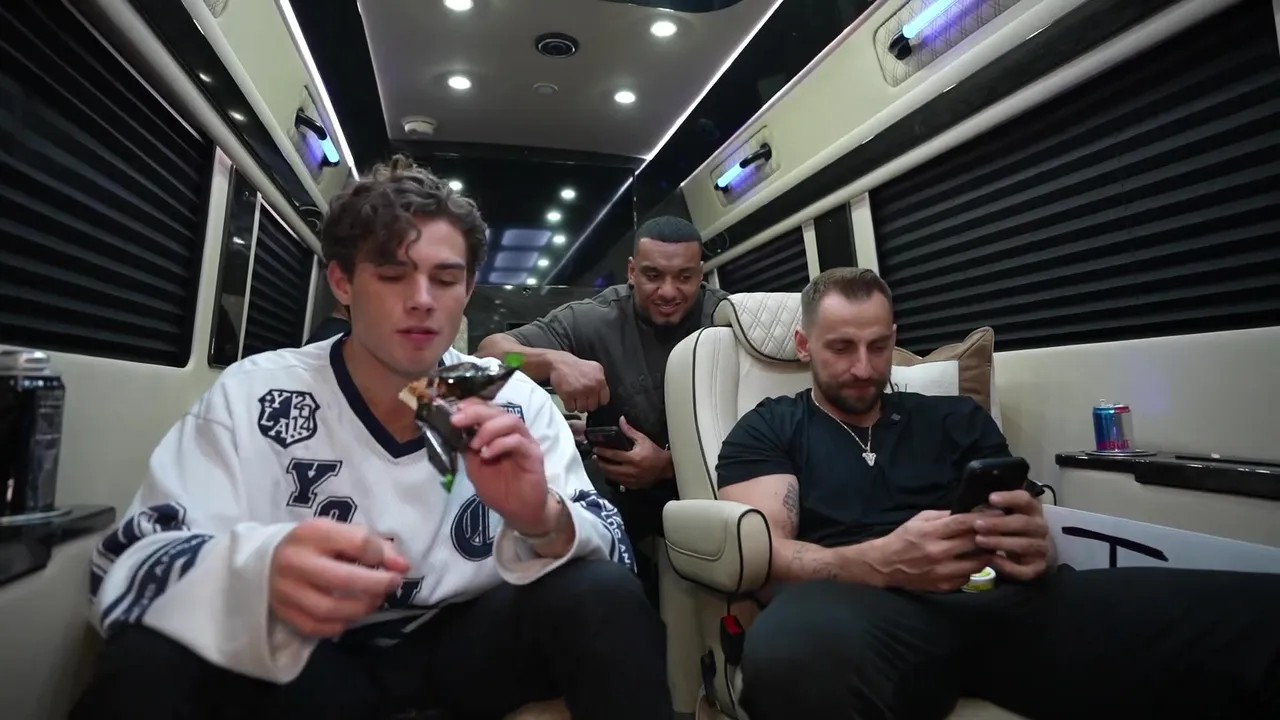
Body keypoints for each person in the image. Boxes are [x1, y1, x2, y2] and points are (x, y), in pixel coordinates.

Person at [73, 156, 671, 720]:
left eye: (445, 279)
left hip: (469, 644)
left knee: (605, 596)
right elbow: (129, 561)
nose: (422, 301)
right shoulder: (259, 392)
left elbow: (613, 549)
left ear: (467, 290)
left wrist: (541, 517)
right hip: (308, 653)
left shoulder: (508, 397)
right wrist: (256, 570)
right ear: (342, 281)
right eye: (391, 275)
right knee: (151, 656)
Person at [716, 267, 1280, 720]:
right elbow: (762, 553)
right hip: (862, 612)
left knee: (1255, 614)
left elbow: (1027, 519)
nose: (864, 368)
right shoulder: (771, 428)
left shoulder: (956, 417)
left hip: (1006, 605)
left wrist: (1037, 543)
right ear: (804, 345)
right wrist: (880, 563)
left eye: (878, 346)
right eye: (841, 348)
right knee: (788, 654)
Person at [476, 216, 728, 596]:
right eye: (653, 275)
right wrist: (553, 361)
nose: (668, 291)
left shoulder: (726, 319)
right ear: (632, 271)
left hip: (708, 485)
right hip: (617, 489)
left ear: (701, 274)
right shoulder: (593, 319)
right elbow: (492, 356)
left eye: (684, 277)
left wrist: (668, 466)